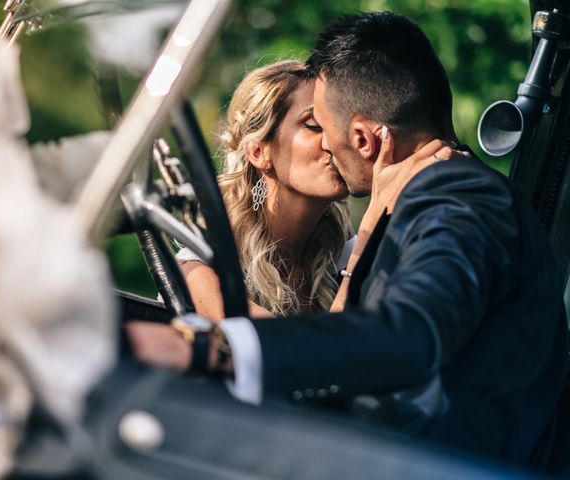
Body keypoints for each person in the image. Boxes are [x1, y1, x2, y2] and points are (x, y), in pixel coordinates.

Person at [129, 12, 569, 469]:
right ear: (259, 152)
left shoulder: (459, 200)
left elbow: (409, 333)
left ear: (364, 138)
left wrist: (209, 348)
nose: (326, 145)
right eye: (311, 124)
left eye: (325, 125)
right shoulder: (435, 201)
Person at [178, 60, 351, 320]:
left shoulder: (343, 256)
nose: (335, 141)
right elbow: (287, 350)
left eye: (338, 125)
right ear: (258, 153)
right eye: (314, 125)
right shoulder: (200, 267)